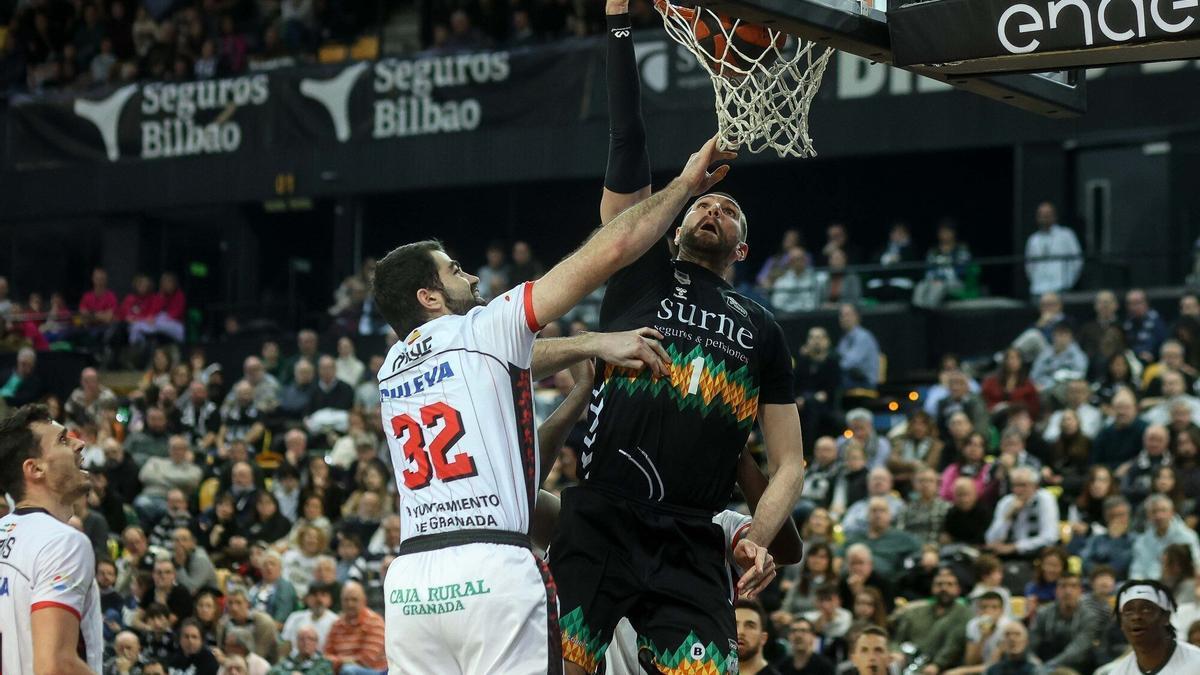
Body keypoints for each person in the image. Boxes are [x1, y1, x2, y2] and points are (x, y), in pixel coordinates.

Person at [0, 404, 102, 674]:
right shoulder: (63, 542)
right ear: (35, 469)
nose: (79, 444)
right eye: (62, 440)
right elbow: (55, 664)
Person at [891, 567, 972, 673]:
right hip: (908, 662)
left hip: (943, 668)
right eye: (939, 584)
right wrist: (896, 652)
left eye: (949, 584)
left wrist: (937, 665)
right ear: (932, 587)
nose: (944, 588)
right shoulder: (916, 611)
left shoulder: (964, 613)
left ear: (958, 589)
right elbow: (898, 638)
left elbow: (953, 646)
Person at [1109, 580, 1200, 674]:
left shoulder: (1197, 662)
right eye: (1129, 611)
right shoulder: (1118, 672)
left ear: (1166, 617)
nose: (1136, 617)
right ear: (1121, 623)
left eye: (1146, 609)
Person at [984, 467, 1060, 558]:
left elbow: (1050, 537)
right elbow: (990, 539)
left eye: (1023, 485)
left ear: (1035, 486)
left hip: (1036, 553)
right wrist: (1008, 515)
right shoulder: (1006, 502)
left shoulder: (1045, 499)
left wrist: (1016, 547)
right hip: (1008, 554)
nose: (1018, 490)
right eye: (1014, 485)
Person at [1131, 495, 1200, 579]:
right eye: (1154, 512)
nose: (1159, 516)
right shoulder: (1141, 541)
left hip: (1180, 584)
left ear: (1172, 512)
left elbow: (1196, 564)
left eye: (1163, 511)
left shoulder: (1187, 537)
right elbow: (1137, 571)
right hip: (1150, 586)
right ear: (1148, 515)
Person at [323, 581, 385, 675]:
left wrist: (337, 661)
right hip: (342, 670)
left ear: (364, 601)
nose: (350, 604)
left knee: (349, 671)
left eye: (354, 600)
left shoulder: (375, 622)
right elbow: (326, 657)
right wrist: (345, 661)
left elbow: (366, 660)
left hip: (373, 671)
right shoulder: (336, 624)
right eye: (346, 600)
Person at [1024, 202, 1082, 296]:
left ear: (1054, 216)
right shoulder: (1033, 239)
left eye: (1047, 215)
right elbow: (1029, 266)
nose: (1045, 218)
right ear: (1037, 218)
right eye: (1042, 215)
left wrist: (1068, 282)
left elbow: (1077, 261)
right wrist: (1035, 280)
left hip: (1061, 287)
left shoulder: (1066, 235)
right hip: (1039, 288)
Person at [837, 303, 880, 390]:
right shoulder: (844, 339)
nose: (844, 319)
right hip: (851, 378)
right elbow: (838, 358)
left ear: (857, 316)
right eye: (841, 315)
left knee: (835, 381)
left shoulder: (863, 337)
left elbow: (848, 363)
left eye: (847, 315)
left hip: (865, 382)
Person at [735, 599, 781, 675]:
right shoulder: (716, 669)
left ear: (763, 638)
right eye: (735, 625)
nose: (740, 632)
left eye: (750, 626)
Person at [1125, 288, 1169, 365]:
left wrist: (1153, 354)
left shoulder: (1157, 322)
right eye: (1131, 303)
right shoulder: (1126, 324)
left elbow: (1164, 344)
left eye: (1138, 303)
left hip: (1155, 362)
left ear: (1146, 303)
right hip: (1132, 362)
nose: (1135, 307)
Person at [269, 624, 334, 675]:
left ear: (316, 642)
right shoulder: (290, 659)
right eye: (302, 639)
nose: (306, 642)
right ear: (296, 642)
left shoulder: (324, 662)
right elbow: (273, 672)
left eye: (310, 639)